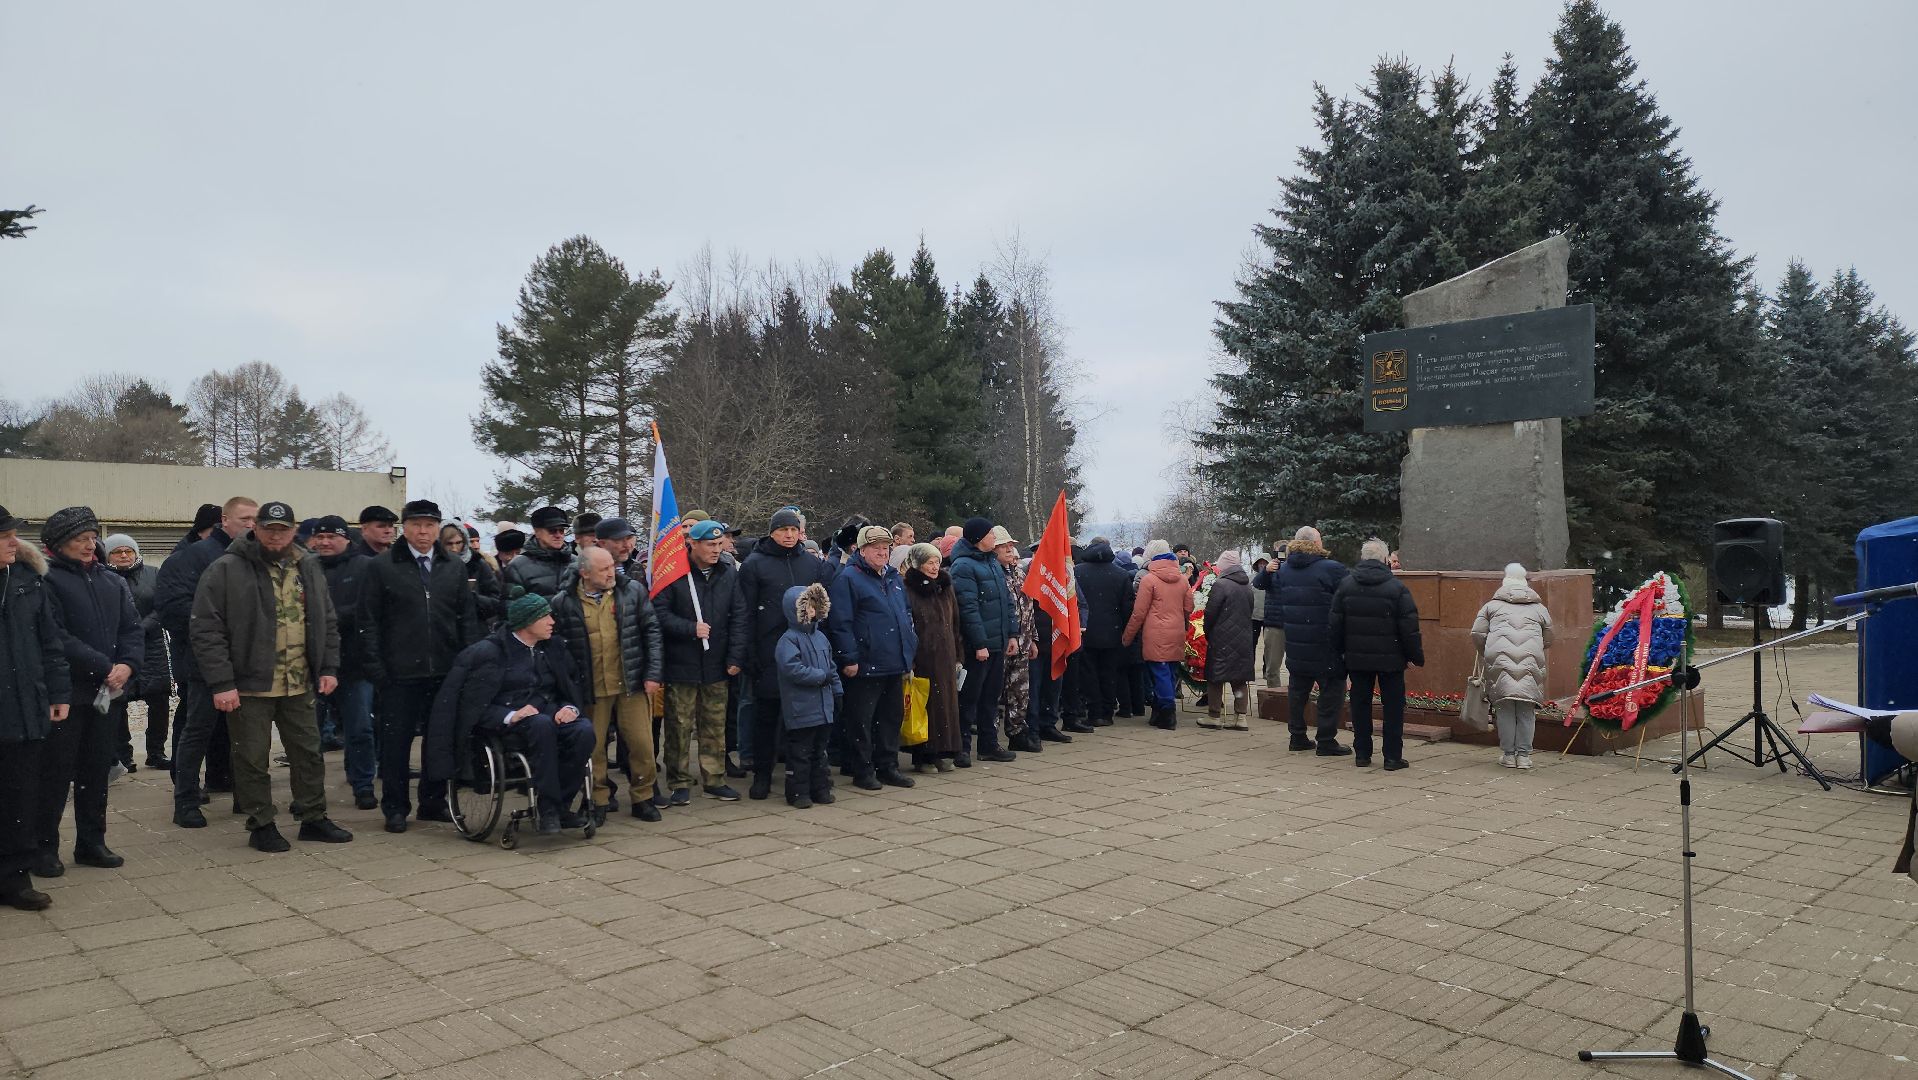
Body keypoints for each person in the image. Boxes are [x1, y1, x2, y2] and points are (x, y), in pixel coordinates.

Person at [190, 500, 353, 851]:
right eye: (268, 528)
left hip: (298, 681)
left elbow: (327, 620)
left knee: (308, 753)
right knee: (251, 758)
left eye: (283, 529)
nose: (276, 535)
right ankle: (261, 823)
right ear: (256, 529)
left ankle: (313, 817)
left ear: (294, 531)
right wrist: (222, 683)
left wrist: (328, 667)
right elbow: (206, 629)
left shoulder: (308, 566)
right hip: (249, 685)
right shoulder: (226, 569)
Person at [358, 500, 482, 832]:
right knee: (396, 743)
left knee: (438, 740)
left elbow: (465, 618)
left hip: (444, 669)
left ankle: (433, 800)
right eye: (416, 525)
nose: (423, 532)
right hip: (399, 672)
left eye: (430, 525)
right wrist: (377, 669)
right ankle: (395, 807)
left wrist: (468, 662)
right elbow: (368, 622)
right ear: (405, 528)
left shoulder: (452, 566)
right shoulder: (382, 566)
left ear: (438, 528)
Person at [427, 590, 596, 835]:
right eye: (545, 617)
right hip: (508, 724)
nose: (552, 622)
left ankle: (560, 804)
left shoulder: (552, 648)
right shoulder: (487, 653)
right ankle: (548, 808)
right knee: (541, 725)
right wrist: (510, 715)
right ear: (528, 622)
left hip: (547, 713)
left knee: (583, 730)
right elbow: (471, 706)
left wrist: (570, 707)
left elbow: (569, 686)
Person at [36, 507, 143, 875]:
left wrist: (127, 666)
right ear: (59, 544)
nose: (89, 545)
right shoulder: (45, 580)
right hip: (66, 694)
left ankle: (91, 843)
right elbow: (56, 636)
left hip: (107, 694)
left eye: (91, 537)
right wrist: (103, 665)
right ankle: (44, 848)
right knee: (54, 773)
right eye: (81, 539)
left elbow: (132, 629)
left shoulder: (111, 581)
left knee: (96, 772)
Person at [158, 496, 253, 825]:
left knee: (246, 734)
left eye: (256, 519)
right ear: (224, 521)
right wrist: (219, 632)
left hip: (248, 663)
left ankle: (247, 797)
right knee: (197, 730)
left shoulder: (256, 558)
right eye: (245, 519)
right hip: (205, 662)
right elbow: (173, 609)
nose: (252, 525)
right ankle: (185, 800)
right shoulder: (193, 557)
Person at [552, 546, 664, 821]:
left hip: (631, 683)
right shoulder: (563, 602)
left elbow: (652, 632)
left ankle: (643, 797)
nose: (610, 573)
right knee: (594, 748)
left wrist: (653, 674)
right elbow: (557, 648)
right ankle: (598, 799)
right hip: (591, 689)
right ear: (584, 573)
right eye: (603, 569)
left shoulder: (633, 592)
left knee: (641, 744)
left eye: (611, 566)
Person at [0, 506, 71, 910]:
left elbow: (51, 644)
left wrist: (58, 694)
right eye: (6, 535)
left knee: (20, 797)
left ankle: (15, 878)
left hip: (24, 709)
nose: (15, 541)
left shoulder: (27, 582)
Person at [737, 507, 834, 796]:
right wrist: (749, 652)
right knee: (767, 716)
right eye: (783, 530)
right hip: (768, 651)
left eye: (793, 529)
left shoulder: (811, 563)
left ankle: (802, 776)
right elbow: (746, 612)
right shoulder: (755, 564)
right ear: (772, 532)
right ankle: (762, 775)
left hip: (806, 650)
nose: (789, 535)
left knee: (805, 721)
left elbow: (821, 606)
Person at [654, 519, 748, 803]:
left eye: (720, 544)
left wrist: (735, 656)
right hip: (682, 662)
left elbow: (740, 616)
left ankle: (714, 777)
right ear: (691, 544)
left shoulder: (728, 573)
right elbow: (658, 612)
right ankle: (679, 781)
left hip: (717, 662)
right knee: (679, 726)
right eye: (710, 545)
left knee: (714, 725)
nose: (716, 550)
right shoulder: (674, 572)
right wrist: (689, 628)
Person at [826, 525, 918, 789]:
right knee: (861, 721)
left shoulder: (893, 578)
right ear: (861, 550)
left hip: (894, 661)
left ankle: (887, 766)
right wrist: (849, 658)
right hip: (865, 663)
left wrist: (909, 648)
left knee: (891, 719)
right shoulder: (848, 578)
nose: (882, 552)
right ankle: (863, 770)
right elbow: (840, 623)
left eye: (885, 548)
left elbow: (906, 615)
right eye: (876, 548)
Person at [1329, 539, 1424, 769]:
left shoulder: (1346, 585)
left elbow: (1335, 624)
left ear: (1363, 558)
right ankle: (1392, 757)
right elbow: (1409, 627)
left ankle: (1362, 753)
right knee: (1392, 707)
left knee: (1360, 705)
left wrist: (1339, 653)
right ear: (1385, 560)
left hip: (1357, 659)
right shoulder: (1397, 588)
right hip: (1391, 660)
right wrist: (1415, 656)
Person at [307, 516, 378, 809]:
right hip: (311, 663)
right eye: (319, 537)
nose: (325, 542)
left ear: (346, 539)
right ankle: (309, 791)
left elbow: (368, 609)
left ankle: (362, 785)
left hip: (354, 664)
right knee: (308, 734)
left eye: (331, 537)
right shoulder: (305, 567)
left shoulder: (365, 567)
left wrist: (325, 617)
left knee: (359, 728)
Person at [1276, 526, 1351, 757]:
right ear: (1317, 544)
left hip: (1297, 642)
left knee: (1298, 691)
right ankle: (1326, 740)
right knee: (1331, 691)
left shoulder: (1285, 569)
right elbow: (1346, 600)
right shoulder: (1332, 569)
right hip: (1325, 641)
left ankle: (1297, 736)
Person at [947, 517, 1017, 765]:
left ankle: (989, 745)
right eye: (989, 534)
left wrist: (1012, 634)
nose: (993, 539)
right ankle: (962, 748)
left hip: (997, 641)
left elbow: (1007, 602)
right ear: (978, 539)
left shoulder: (992, 563)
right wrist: (979, 644)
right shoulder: (963, 566)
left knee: (990, 697)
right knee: (969, 698)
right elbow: (968, 609)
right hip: (978, 646)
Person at [1473, 563, 1553, 770]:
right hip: (1530, 662)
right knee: (1526, 709)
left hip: (1500, 662)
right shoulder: (1539, 608)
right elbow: (1549, 638)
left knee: (1505, 707)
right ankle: (1524, 756)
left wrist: (1487, 651)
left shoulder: (1491, 606)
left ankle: (1509, 755)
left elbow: (1477, 634)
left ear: (1505, 583)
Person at [103, 534, 170, 771]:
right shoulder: (102, 577)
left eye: (128, 551)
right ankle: (124, 754)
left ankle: (156, 752)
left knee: (159, 699)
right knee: (118, 702)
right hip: (117, 649)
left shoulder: (154, 574)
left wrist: (141, 628)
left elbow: (164, 605)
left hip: (152, 647)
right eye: (117, 552)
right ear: (108, 555)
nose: (123, 555)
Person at [901, 543, 964, 772]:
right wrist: (911, 660)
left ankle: (943, 750)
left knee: (946, 705)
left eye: (937, 562)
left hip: (946, 656)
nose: (935, 567)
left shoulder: (945, 587)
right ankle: (923, 755)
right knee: (926, 706)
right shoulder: (909, 589)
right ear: (918, 564)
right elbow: (907, 626)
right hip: (923, 657)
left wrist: (958, 654)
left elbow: (955, 622)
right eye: (930, 562)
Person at [776, 583, 840, 808]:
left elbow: (831, 667)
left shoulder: (821, 637)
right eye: (807, 606)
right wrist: (819, 677)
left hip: (823, 707)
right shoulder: (789, 639)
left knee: (819, 753)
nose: (812, 610)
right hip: (801, 707)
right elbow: (791, 668)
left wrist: (837, 691)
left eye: (815, 605)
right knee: (800, 753)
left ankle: (820, 788)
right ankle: (798, 792)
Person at [1122, 540, 1194, 730]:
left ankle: (1167, 713)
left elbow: (1139, 613)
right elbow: (1189, 608)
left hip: (1155, 632)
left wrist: (1127, 637)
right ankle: (1160, 711)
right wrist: (1183, 626)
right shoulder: (1183, 580)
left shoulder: (1149, 580)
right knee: (1169, 671)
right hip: (1177, 631)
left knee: (1159, 672)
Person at [992, 528, 1042, 754]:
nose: (1010, 550)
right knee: (994, 692)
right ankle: (990, 736)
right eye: (1004, 546)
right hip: (1002, 643)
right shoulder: (992, 573)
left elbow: (1028, 609)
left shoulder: (1019, 574)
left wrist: (1032, 639)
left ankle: (1017, 732)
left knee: (1020, 691)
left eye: (1011, 545)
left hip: (1023, 642)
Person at [1073, 537, 1131, 730]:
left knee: (1088, 674)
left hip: (1085, 630)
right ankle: (1107, 712)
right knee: (1109, 673)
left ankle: (1094, 712)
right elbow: (1127, 607)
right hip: (1112, 631)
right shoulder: (1121, 575)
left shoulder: (1078, 572)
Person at [1200, 549, 1258, 731]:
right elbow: (1250, 610)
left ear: (1224, 566)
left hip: (1221, 638)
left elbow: (1210, 613)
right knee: (1239, 678)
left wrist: (1208, 632)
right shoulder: (1247, 586)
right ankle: (1240, 717)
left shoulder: (1221, 585)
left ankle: (1214, 715)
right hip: (1244, 638)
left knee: (1216, 677)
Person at [503, 506, 575, 598]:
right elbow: (509, 604)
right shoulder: (517, 566)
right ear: (537, 532)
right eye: (552, 530)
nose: (558, 535)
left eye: (561, 530)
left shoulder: (577, 562)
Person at [440, 522, 504, 625]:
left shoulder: (478, 564)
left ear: (464, 542)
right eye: (449, 543)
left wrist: (473, 597)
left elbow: (496, 602)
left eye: (458, 543)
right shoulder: (433, 565)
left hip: (474, 627)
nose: (454, 549)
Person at [1251, 544, 1287, 690]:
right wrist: (1266, 571)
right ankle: (1274, 698)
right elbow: (1258, 583)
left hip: (1296, 623)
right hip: (1274, 622)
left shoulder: (1300, 570)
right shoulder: (1271, 571)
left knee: (1300, 667)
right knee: (1272, 668)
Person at [595, 517, 645, 582]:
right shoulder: (588, 570)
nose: (627, 545)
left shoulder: (636, 567)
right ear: (602, 543)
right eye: (618, 540)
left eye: (628, 538)